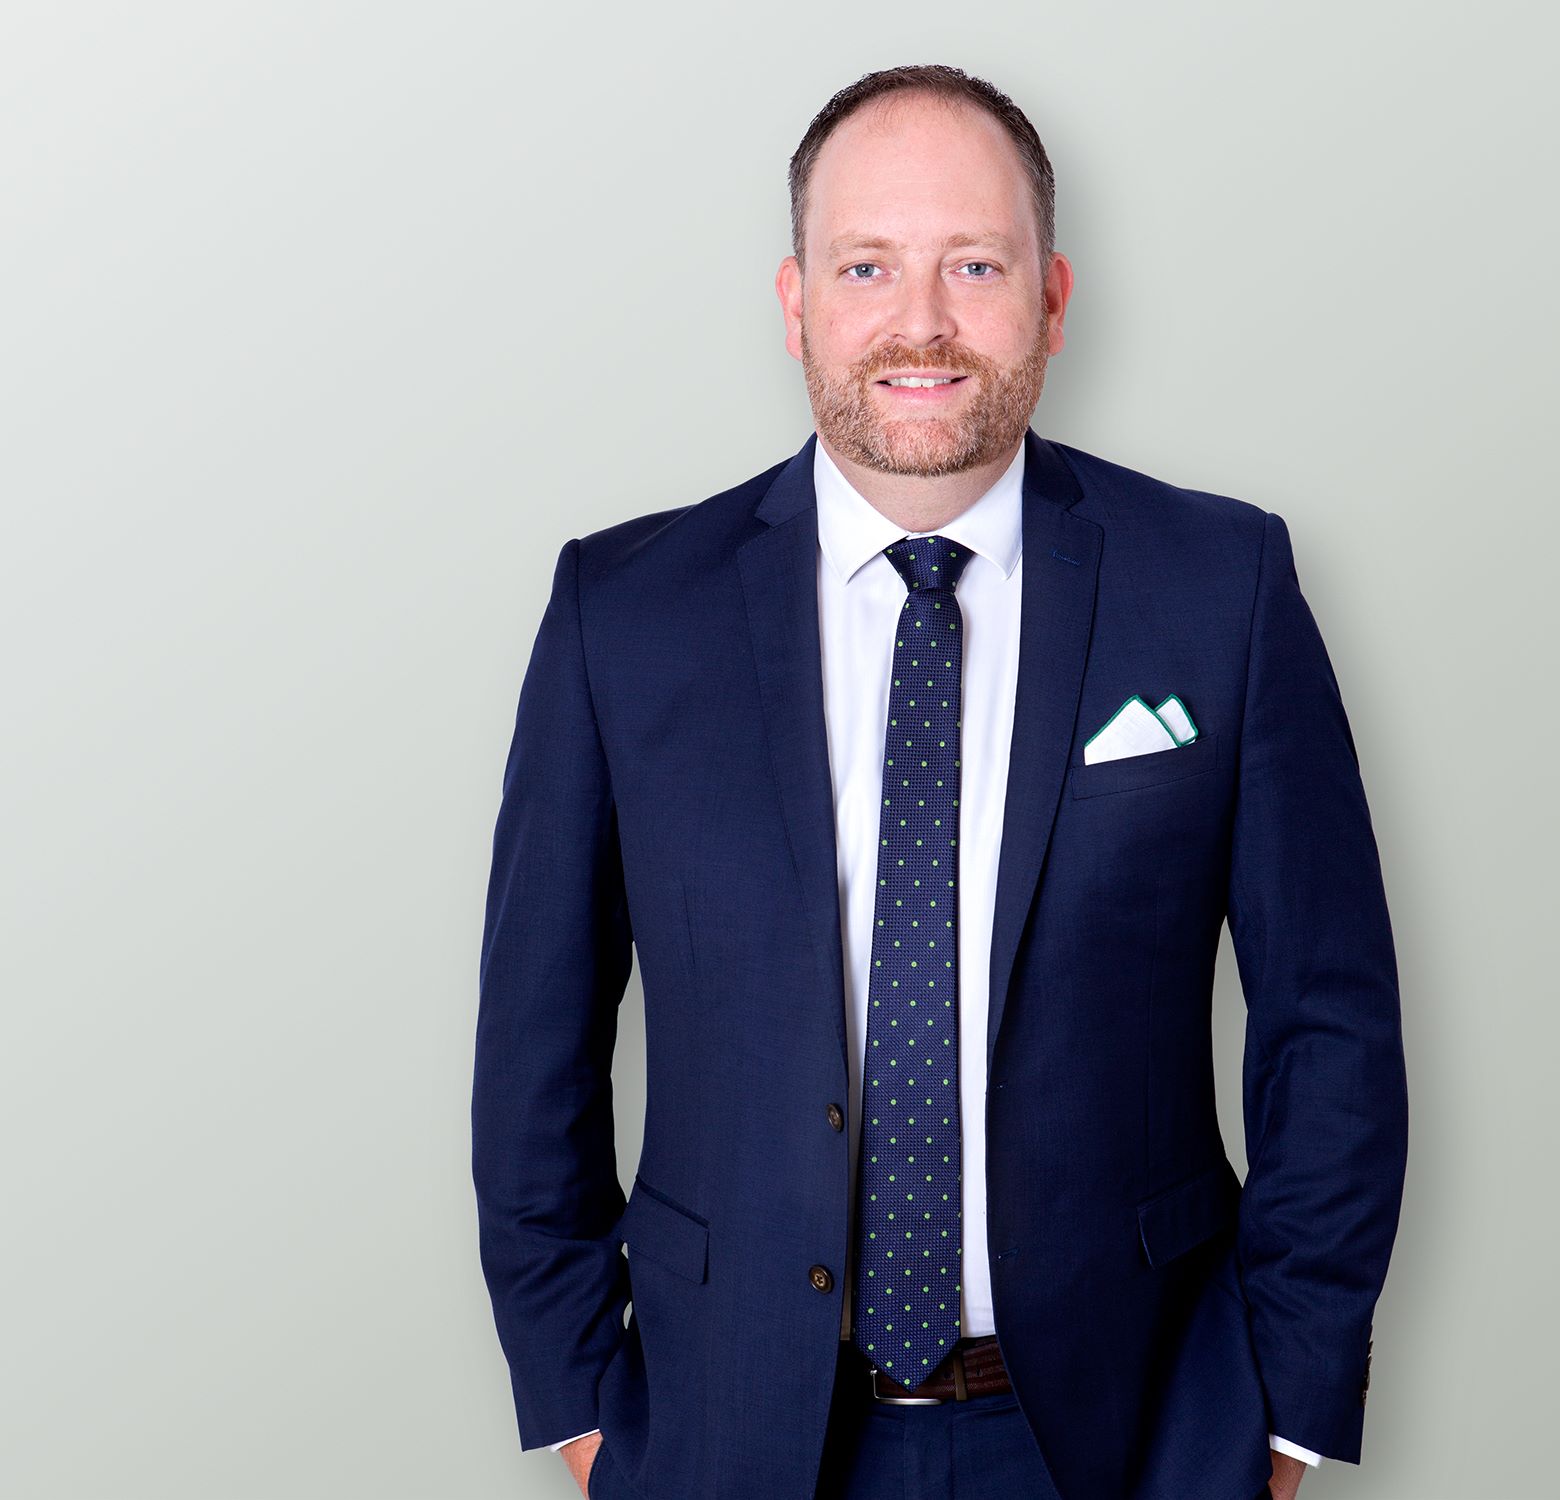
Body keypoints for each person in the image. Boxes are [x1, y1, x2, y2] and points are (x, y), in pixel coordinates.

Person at [471, 63, 1409, 1500]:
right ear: (795, 302)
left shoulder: (1221, 588)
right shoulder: (626, 614)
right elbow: (535, 1042)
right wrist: (582, 1400)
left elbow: (1329, 1019)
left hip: (1140, 1432)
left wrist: (1282, 1408)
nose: (922, 322)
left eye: (975, 264)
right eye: (867, 267)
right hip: (727, 1435)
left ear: (1053, 297)